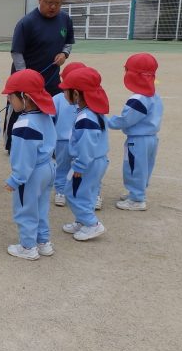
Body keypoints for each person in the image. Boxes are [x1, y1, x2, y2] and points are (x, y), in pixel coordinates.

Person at [4, 0, 75, 151]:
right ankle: (13, 144)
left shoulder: (65, 19)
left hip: (52, 77)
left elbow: (68, 43)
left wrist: (64, 54)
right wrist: (24, 77)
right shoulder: (27, 22)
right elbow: (17, 52)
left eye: (58, 3)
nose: (53, 6)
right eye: (49, 2)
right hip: (26, 78)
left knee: (51, 109)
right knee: (19, 110)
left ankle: (47, 141)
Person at [1, 69, 57, 260]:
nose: (9, 100)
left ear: (24, 97)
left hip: (32, 173)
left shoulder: (24, 124)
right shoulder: (45, 116)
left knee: (25, 209)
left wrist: (16, 178)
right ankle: (43, 242)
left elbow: (25, 157)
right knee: (41, 207)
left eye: (11, 96)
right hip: (48, 167)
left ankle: (27, 246)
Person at [58, 67, 110, 241]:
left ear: (77, 94)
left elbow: (86, 144)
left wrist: (80, 165)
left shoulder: (86, 118)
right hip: (96, 161)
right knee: (86, 192)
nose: (64, 93)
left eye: (66, 90)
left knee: (73, 192)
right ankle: (82, 221)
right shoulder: (93, 111)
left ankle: (92, 224)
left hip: (87, 162)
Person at [108, 53, 163, 211]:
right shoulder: (154, 95)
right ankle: (137, 192)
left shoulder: (138, 99)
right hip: (151, 138)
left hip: (137, 140)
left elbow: (126, 120)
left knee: (133, 167)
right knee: (144, 167)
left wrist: (106, 121)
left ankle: (137, 199)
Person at [52, 61, 87, 206]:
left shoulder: (57, 98)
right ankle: (91, 194)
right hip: (78, 141)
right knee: (84, 167)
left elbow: (50, 120)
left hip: (63, 141)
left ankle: (61, 191)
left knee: (63, 167)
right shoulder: (89, 100)